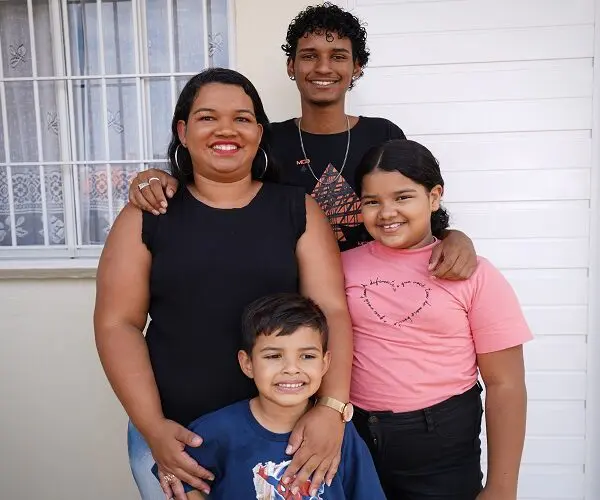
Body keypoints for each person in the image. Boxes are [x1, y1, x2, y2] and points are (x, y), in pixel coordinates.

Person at [94, 68, 354, 500]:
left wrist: (331, 409)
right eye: (207, 117)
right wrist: (153, 427)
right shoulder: (147, 215)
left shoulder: (298, 210)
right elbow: (116, 324)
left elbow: (332, 310)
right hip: (178, 439)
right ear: (182, 129)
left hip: (283, 442)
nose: (226, 130)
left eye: (242, 118)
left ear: (259, 131)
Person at [128, 3, 477, 280]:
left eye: (338, 56)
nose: (323, 67)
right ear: (291, 66)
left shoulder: (382, 135)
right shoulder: (267, 140)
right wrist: (161, 178)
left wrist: (455, 238)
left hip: (376, 291)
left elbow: (418, 211)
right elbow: (216, 185)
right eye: (309, 55)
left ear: (357, 67)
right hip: (292, 307)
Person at [343, 139, 532, 500]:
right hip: (357, 438)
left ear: (433, 197)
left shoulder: (473, 274)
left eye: (402, 197)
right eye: (372, 201)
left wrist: (502, 487)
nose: (386, 213)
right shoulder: (343, 266)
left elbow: (505, 384)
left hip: (442, 444)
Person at [154, 293, 386, 500]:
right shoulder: (217, 431)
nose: (292, 368)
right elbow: (178, 472)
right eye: (274, 356)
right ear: (247, 364)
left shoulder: (338, 433)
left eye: (307, 356)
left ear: (325, 363)